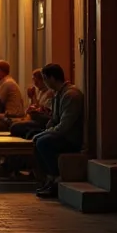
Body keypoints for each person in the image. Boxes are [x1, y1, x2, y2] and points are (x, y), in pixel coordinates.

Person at [32, 64, 86, 199]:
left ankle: (55, 178)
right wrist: (45, 130)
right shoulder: (58, 94)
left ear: (51, 78)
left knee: (43, 142)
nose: (44, 82)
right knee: (36, 138)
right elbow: (54, 119)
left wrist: (46, 133)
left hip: (70, 138)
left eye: (45, 79)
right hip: (61, 134)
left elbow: (64, 126)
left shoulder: (71, 95)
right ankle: (46, 178)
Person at [10, 69, 55, 140]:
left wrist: (35, 111)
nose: (35, 83)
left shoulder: (50, 93)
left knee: (15, 127)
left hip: (43, 121)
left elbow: (46, 111)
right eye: (34, 80)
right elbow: (36, 106)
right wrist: (32, 97)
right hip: (36, 119)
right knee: (15, 125)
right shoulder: (40, 92)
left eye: (36, 81)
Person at [0, 60, 27, 129]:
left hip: (12, 118)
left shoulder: (7, 83)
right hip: (9, 117)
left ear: (0, 70)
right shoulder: (4, 82)